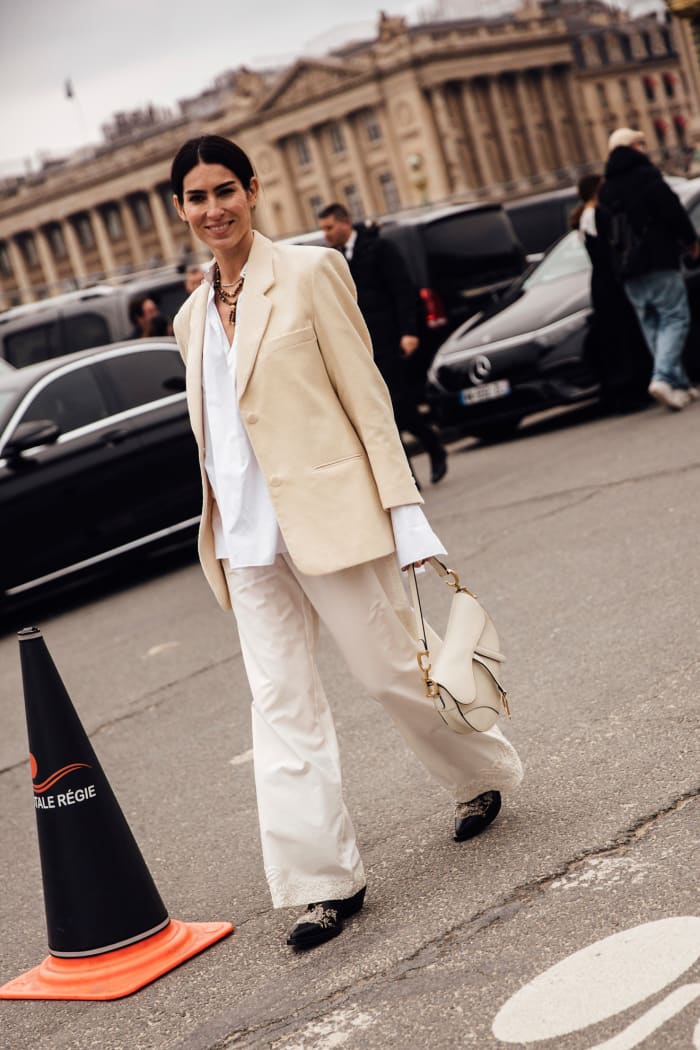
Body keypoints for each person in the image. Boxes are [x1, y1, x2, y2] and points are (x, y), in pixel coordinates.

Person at [170, 135, 522, 951]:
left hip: (333, 519)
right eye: (197, 198)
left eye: (226, 190)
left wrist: (407, 516)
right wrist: (221, 531)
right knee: (281, 708)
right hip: (247, 544)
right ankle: (324, 884)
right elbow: (219, 436)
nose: (213, 209)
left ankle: (479, 774)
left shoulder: (310, 271)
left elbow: (367, 400)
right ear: (180, 209)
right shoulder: (190, 319)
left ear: (253, 190)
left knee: (393, 672)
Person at [318, 203, 448, 485]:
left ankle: (433, 446)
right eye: (323, 229)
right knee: (378, 409)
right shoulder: (333, 258)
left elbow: (403, 292)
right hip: (359, 346)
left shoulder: (379, 248)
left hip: (389, 339)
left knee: (399, 405)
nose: (325, 234)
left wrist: (409, 332)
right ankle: (407, 475)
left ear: (345, 222)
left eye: (329, 227)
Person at [596, 127, 699, 411]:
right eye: (641, 143)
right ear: (631, 147)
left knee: (652, 324)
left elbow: (605, 233)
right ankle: (664, 377)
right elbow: (672, 209)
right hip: (656, 259)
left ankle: (678, 385)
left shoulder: (605, 188)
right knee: (675, 319)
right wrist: (690, 240)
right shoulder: (645, 176)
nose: (644, 148)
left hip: (626, 269)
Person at [575, 173, 651, 413]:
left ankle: (627, 389)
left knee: (617, 337)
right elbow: (609, 248)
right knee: (621, 336)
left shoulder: (586, 215)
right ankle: (629, 390)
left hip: (603, 282)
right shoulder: (595, 214)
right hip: (609, 282)